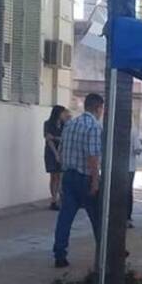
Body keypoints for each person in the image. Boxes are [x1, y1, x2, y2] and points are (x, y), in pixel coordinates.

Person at [52, 93, 104, 268]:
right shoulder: (94, 127)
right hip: (85, 177)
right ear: (98, 108)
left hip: (69, 175)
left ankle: (60, 254)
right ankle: (105, 250)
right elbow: (93, 157)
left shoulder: (70, 124)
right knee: (97, 217)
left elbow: (61, 153)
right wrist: (96, 181)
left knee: (65, 217)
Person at [44, 105, 69, 210]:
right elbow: (48, 140)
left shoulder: (65, 125)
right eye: (63, 113)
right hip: (51, 152)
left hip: (62, 151)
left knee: (60, 176)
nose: (64, 115)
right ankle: (53, 199)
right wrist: (56, 154)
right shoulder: (48, 124)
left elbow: (65, 139)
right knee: (53, 175)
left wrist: (55, 137)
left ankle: (59, 197)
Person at [127, 127, 142, 228]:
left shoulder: (112, 128)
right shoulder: (132, 131)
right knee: (128, 193)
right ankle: (127, 217)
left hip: (113, 167)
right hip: (129, 167)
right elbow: (137, 149)